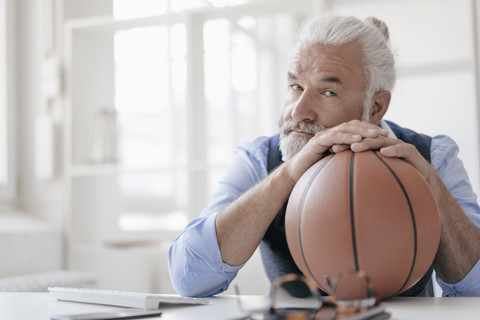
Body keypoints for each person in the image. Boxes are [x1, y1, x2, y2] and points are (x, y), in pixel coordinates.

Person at [168, 15, 480, 298]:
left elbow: (476, 289)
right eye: (295, 86)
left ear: (376, 107)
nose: (298, 111)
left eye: (327, 92)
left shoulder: (434, 157)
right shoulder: (259, 157)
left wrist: (430, 187)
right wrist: (288, 174)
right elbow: (188, 279)